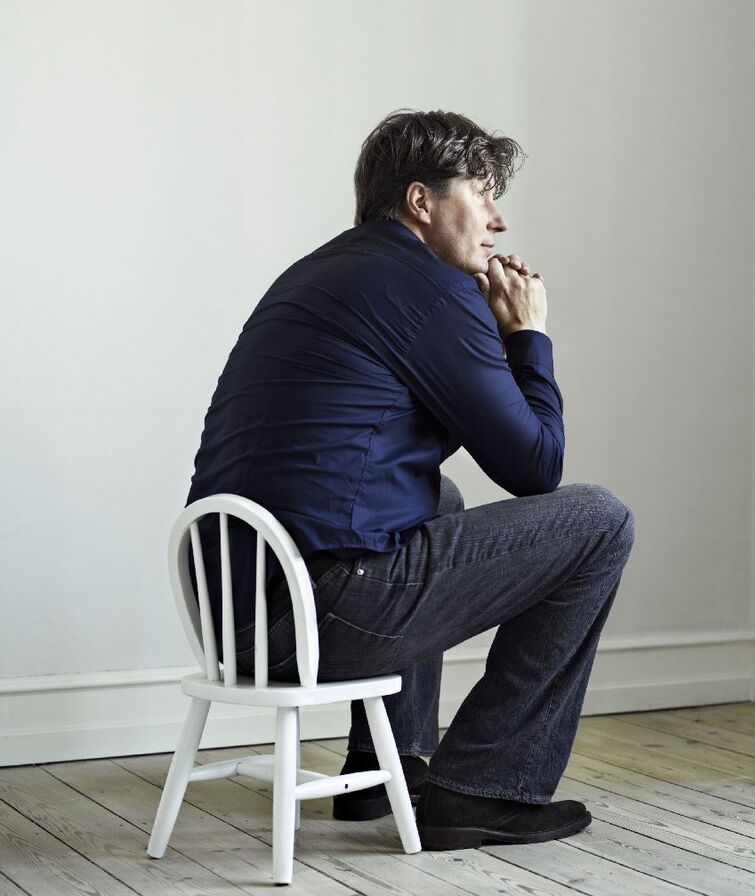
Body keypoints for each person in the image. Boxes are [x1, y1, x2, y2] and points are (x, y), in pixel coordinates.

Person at [185, 109, 635, 850]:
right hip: (316, 617)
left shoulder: (322, 272)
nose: (498, 220)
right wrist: (528, 336)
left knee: (438, 498)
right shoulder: (432, 292)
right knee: (599, 521)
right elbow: (535, 468)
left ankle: (383, 769)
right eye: (481, 195)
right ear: (421, 202)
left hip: (232, 616)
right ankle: (482, 788)